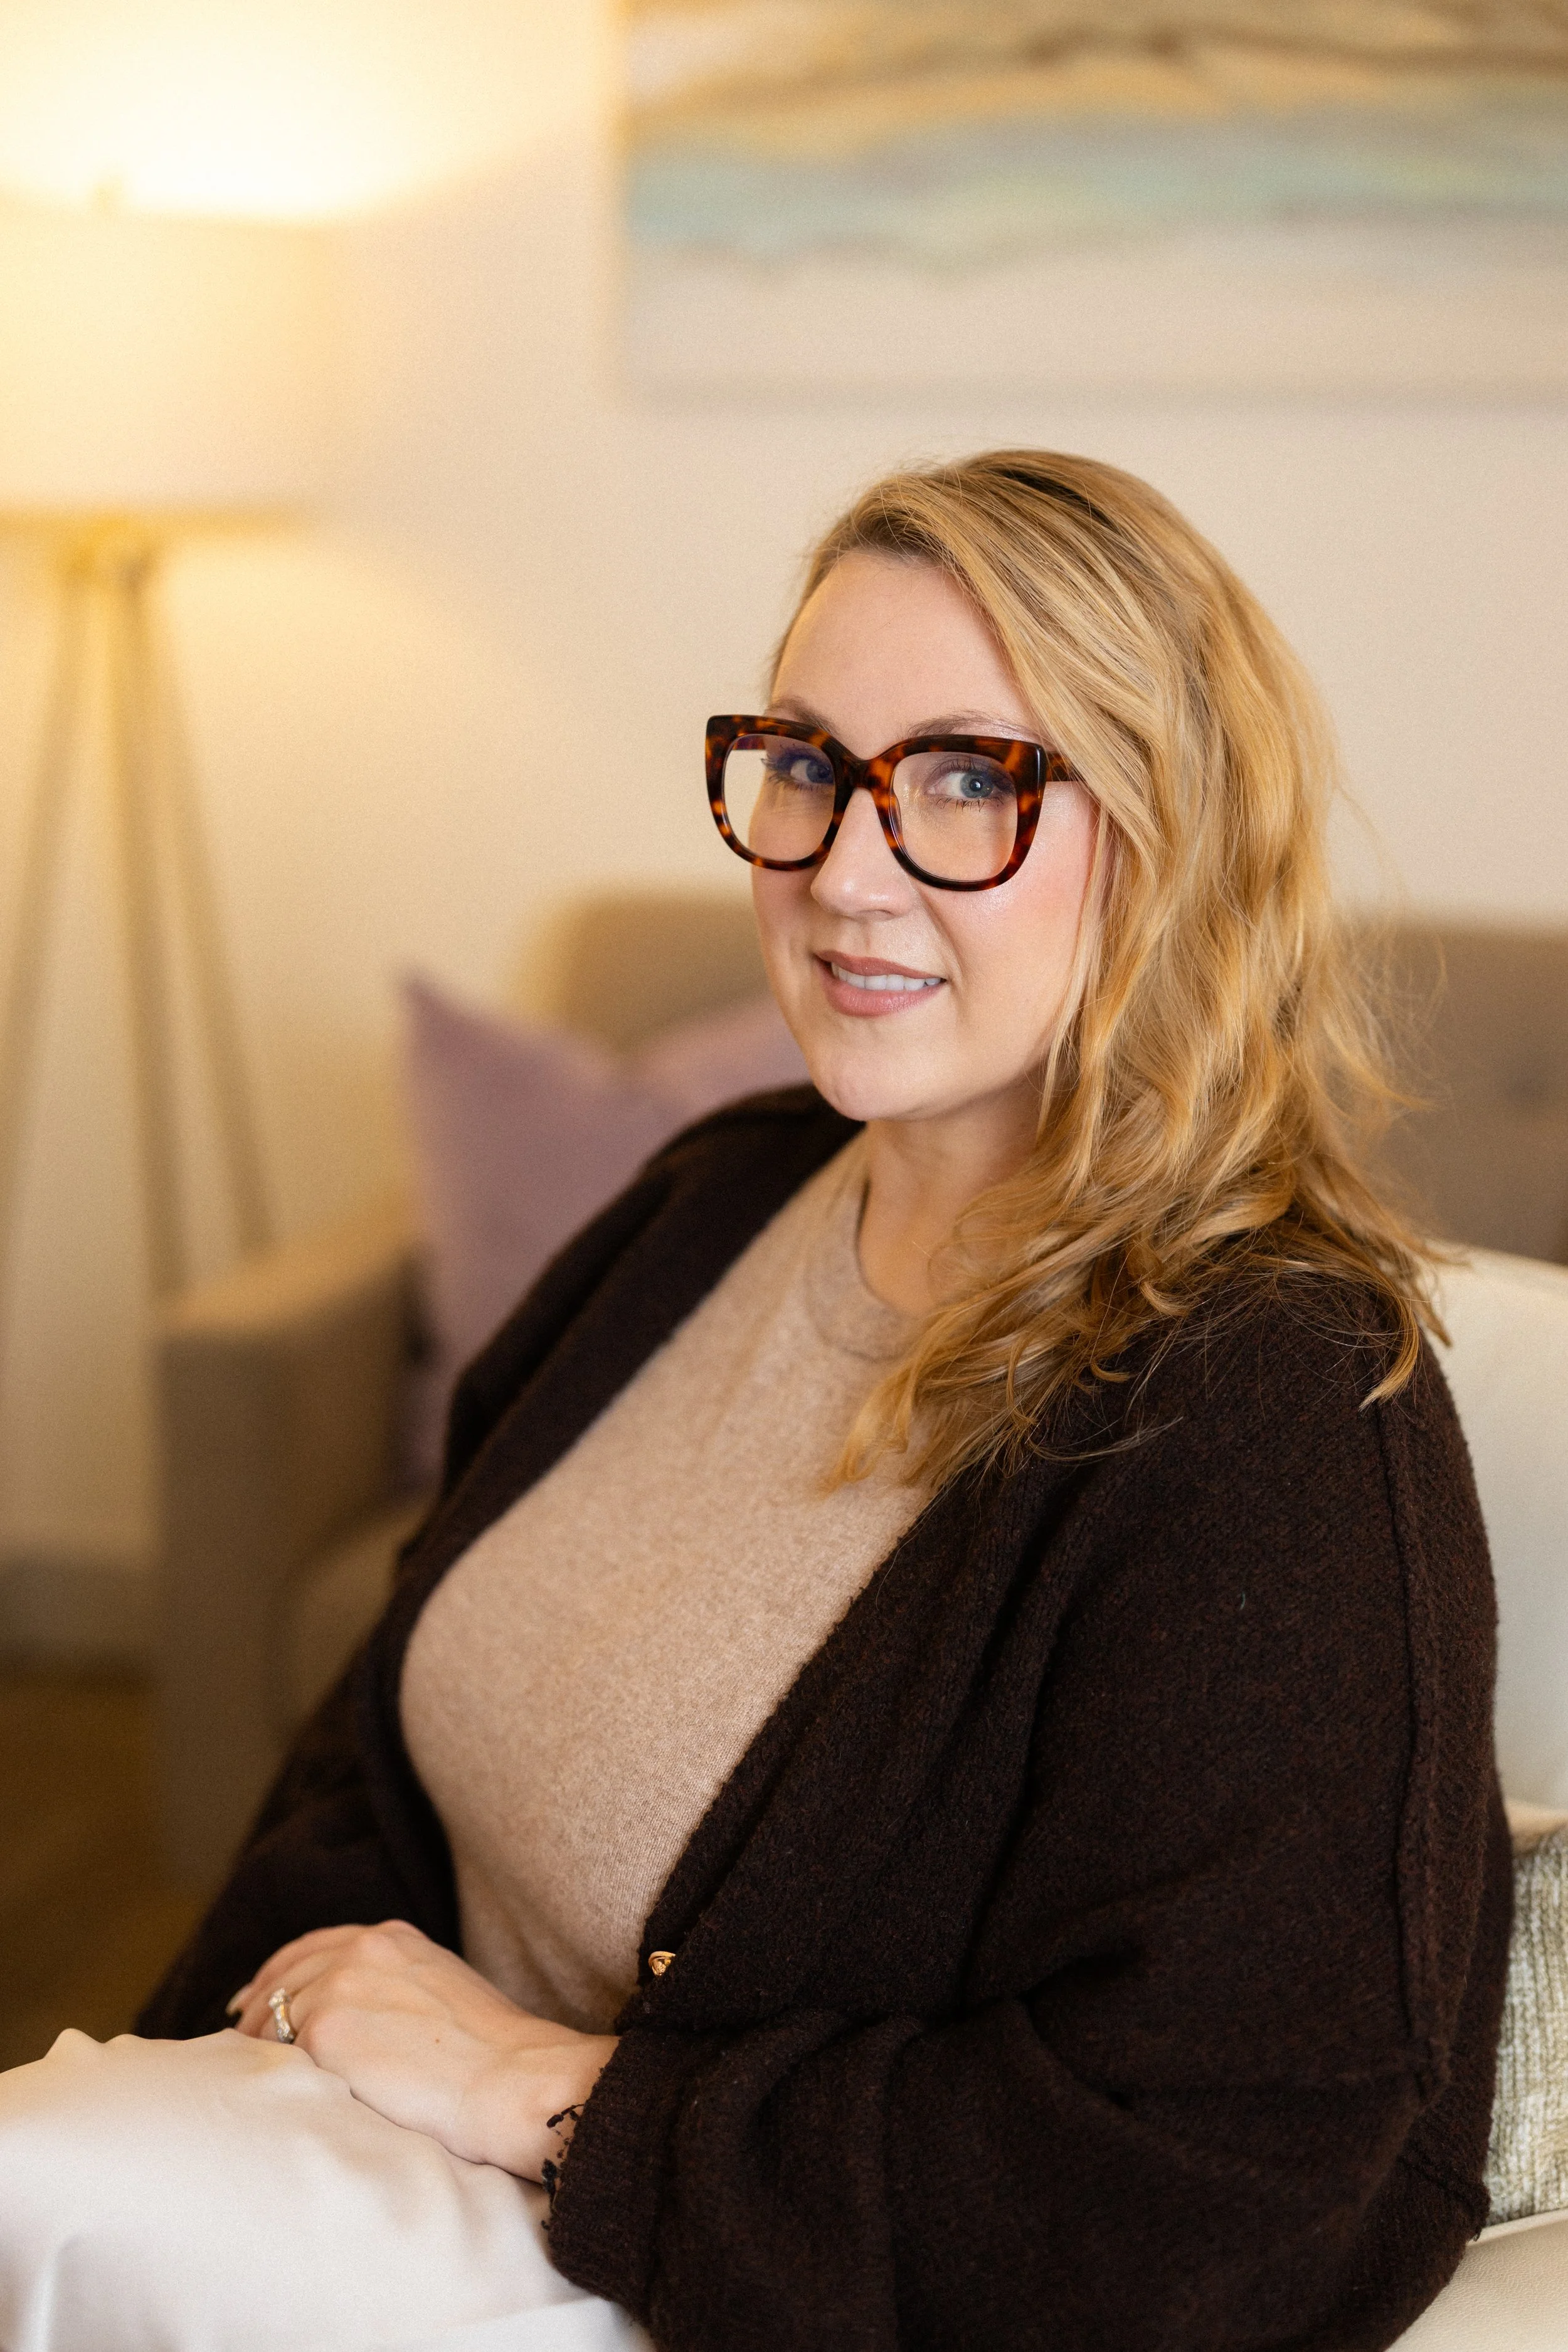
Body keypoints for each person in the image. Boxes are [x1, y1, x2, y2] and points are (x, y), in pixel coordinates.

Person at [0, 452, 1508, 2352]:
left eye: (966, 777)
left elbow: (1242, 2180)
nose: (839, 869)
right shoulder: (719, 1192)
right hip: (376, 2182)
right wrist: (230, 2042)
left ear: (1172, 830)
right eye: (802, 763)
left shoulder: (1272, 1406)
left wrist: (557, 2096)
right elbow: (374, 1742)